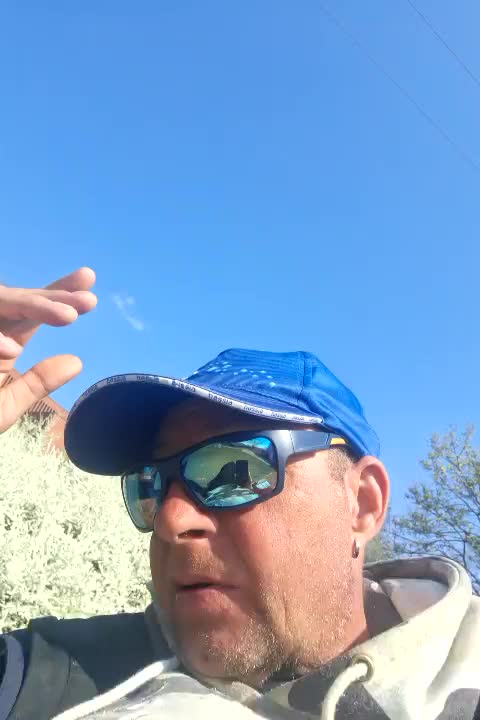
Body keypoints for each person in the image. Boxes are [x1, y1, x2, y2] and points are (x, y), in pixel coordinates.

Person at [0, 267, 479, 720]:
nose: (170, 520)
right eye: (151, 484)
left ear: (362, 504)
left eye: (235, 470)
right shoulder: (61, 674)